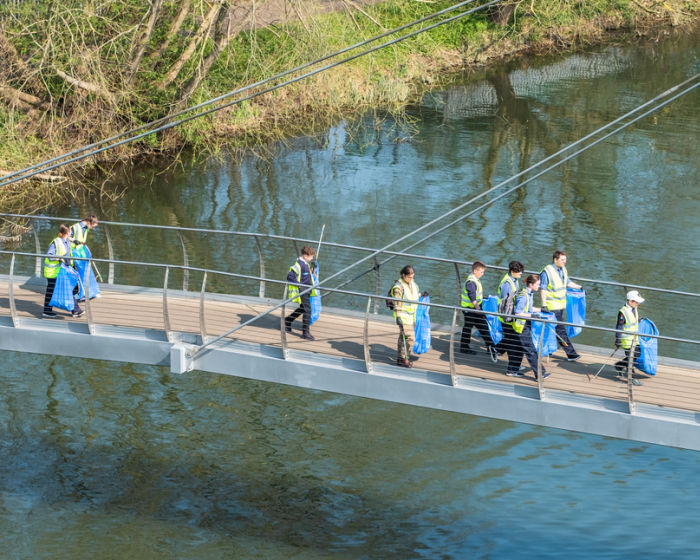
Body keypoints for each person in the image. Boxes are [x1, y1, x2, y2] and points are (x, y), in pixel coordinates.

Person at [540, 250, 581, 361]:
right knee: (560, 330)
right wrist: (544, 305)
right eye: (562, 260)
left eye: (565, 260)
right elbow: (542, 289)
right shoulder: (547, 272)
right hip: (552, 306)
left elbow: (567, 282)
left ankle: (546, 350)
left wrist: (580, 288)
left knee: (551, 329)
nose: (564, 262)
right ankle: (571, 354)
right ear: (555, 259)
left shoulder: (562, 269)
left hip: (560, 305)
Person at [511, 274, 549, 380]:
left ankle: (511, 370)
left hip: (524, 325)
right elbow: (517, 313)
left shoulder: (529, 294)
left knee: (518, 348)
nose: (539, 286)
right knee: (531, 350)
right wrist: (532, 316)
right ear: (531, 284)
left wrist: (541, 310)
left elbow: (529, 308)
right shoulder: (523, 296)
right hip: (522, 327)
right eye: (537, 284)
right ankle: (540, 374)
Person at [42, 224, 84, 318]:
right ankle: (47, 311)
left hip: (63, 271)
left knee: (70, 288)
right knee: (51, 291)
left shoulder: (66, 241)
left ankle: (75, 310)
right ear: (67, 232)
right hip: (53, 272)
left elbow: (69, 251)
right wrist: (59, 259)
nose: (71, 233)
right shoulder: (56, 242)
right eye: (70, 231)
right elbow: (49, 255)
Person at [460, 261, 497, 362]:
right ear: (475, 271)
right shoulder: (471, 282)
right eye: (481, 272)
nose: (482, 274)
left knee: (481, 326)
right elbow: (471, 295)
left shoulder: (475, 279)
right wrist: (477, 308)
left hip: (474, 309)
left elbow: (476, 294)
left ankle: (490, 346)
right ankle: (465, 347)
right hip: (470, 309)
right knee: (470, 327)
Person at [497, 261, 524, 371]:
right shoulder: (507, 283)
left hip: (511, 315)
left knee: (511, 340)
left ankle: (497, 349)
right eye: (519, 272)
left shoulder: (514, 280)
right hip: (506, 317)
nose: (521, 274)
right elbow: (505, 302)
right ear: (512, 272)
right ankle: (512, 368)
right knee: (513, 341)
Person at [284, 246, 316, 340]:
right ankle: (305, 332)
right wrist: (299, 285)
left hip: (307, 290)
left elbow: (306, 275)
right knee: (307, 310)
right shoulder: (299, 265)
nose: (312, 258)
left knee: (303, 308)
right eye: (311, 256)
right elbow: (290, 276)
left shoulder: (305, 264)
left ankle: (288, 320)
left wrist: (313, 267)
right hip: (303, 290)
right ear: (305, 256)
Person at [614, 290, 645, 386]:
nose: (638, 303)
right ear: (630, 301)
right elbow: (619, 327)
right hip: (627, 340)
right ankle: (632, 378)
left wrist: (639, 320)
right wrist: (618, 340)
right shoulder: (623, 312)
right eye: (636, 302)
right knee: (631, 359)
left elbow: (632, 320)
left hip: (634, 339)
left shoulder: (633, 308)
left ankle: (620, 365)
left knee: (637, 354)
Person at [391, 265, 420, 368]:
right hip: (404, 317)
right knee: (410, 338)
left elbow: (413, 297)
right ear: (403, 275)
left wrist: (422, 295)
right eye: (409, 277)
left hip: (412, 317)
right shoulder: (398, 287)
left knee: (403, 338)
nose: (411, 279)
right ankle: (403, 358)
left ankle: (401, 358)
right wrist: (398, 317)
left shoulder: (412, 284)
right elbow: (397, 303)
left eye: (412, 277)